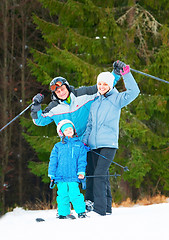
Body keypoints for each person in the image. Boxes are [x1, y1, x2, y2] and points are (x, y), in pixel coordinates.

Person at [30, 66, 120, 207]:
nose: (61, 92)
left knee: (92, 170)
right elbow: (39, 121)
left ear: (67, 87)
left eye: (62, 89)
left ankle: (92, 201)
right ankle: (68, 206)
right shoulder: (54, 107)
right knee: (72, 175)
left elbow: (104, 86)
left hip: (88, 140)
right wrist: (36, 106)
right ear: (55, 93)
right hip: (70, 145)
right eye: (57, 91)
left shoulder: (83, 93)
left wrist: (116, 73)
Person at [82, 63, 140, 216]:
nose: (101, 86)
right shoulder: (95, 103)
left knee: (100, 174)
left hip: (108, 144)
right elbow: (89, 125)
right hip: (93, 145)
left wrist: (126, 74)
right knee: (99, 174)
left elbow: (134, 92)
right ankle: (107, 207)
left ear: (110, 85)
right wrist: (85, 141)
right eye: (99, 83)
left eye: (105, 84)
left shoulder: (117, 99)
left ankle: (99, 209)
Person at [48, 119, 87, 219]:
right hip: (61, 177)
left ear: (73, 130)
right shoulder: (58, 146)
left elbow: (82, 160)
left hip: (74, 176)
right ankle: (63, 213)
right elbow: (53, 161)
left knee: (75, 195)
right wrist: (51, 174)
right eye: (66, 130)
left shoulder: (79, 145)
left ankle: (81, 212)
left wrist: (81, 172)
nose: (69, 131)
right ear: (62, 133)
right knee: (62, 196)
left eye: (70, 129)